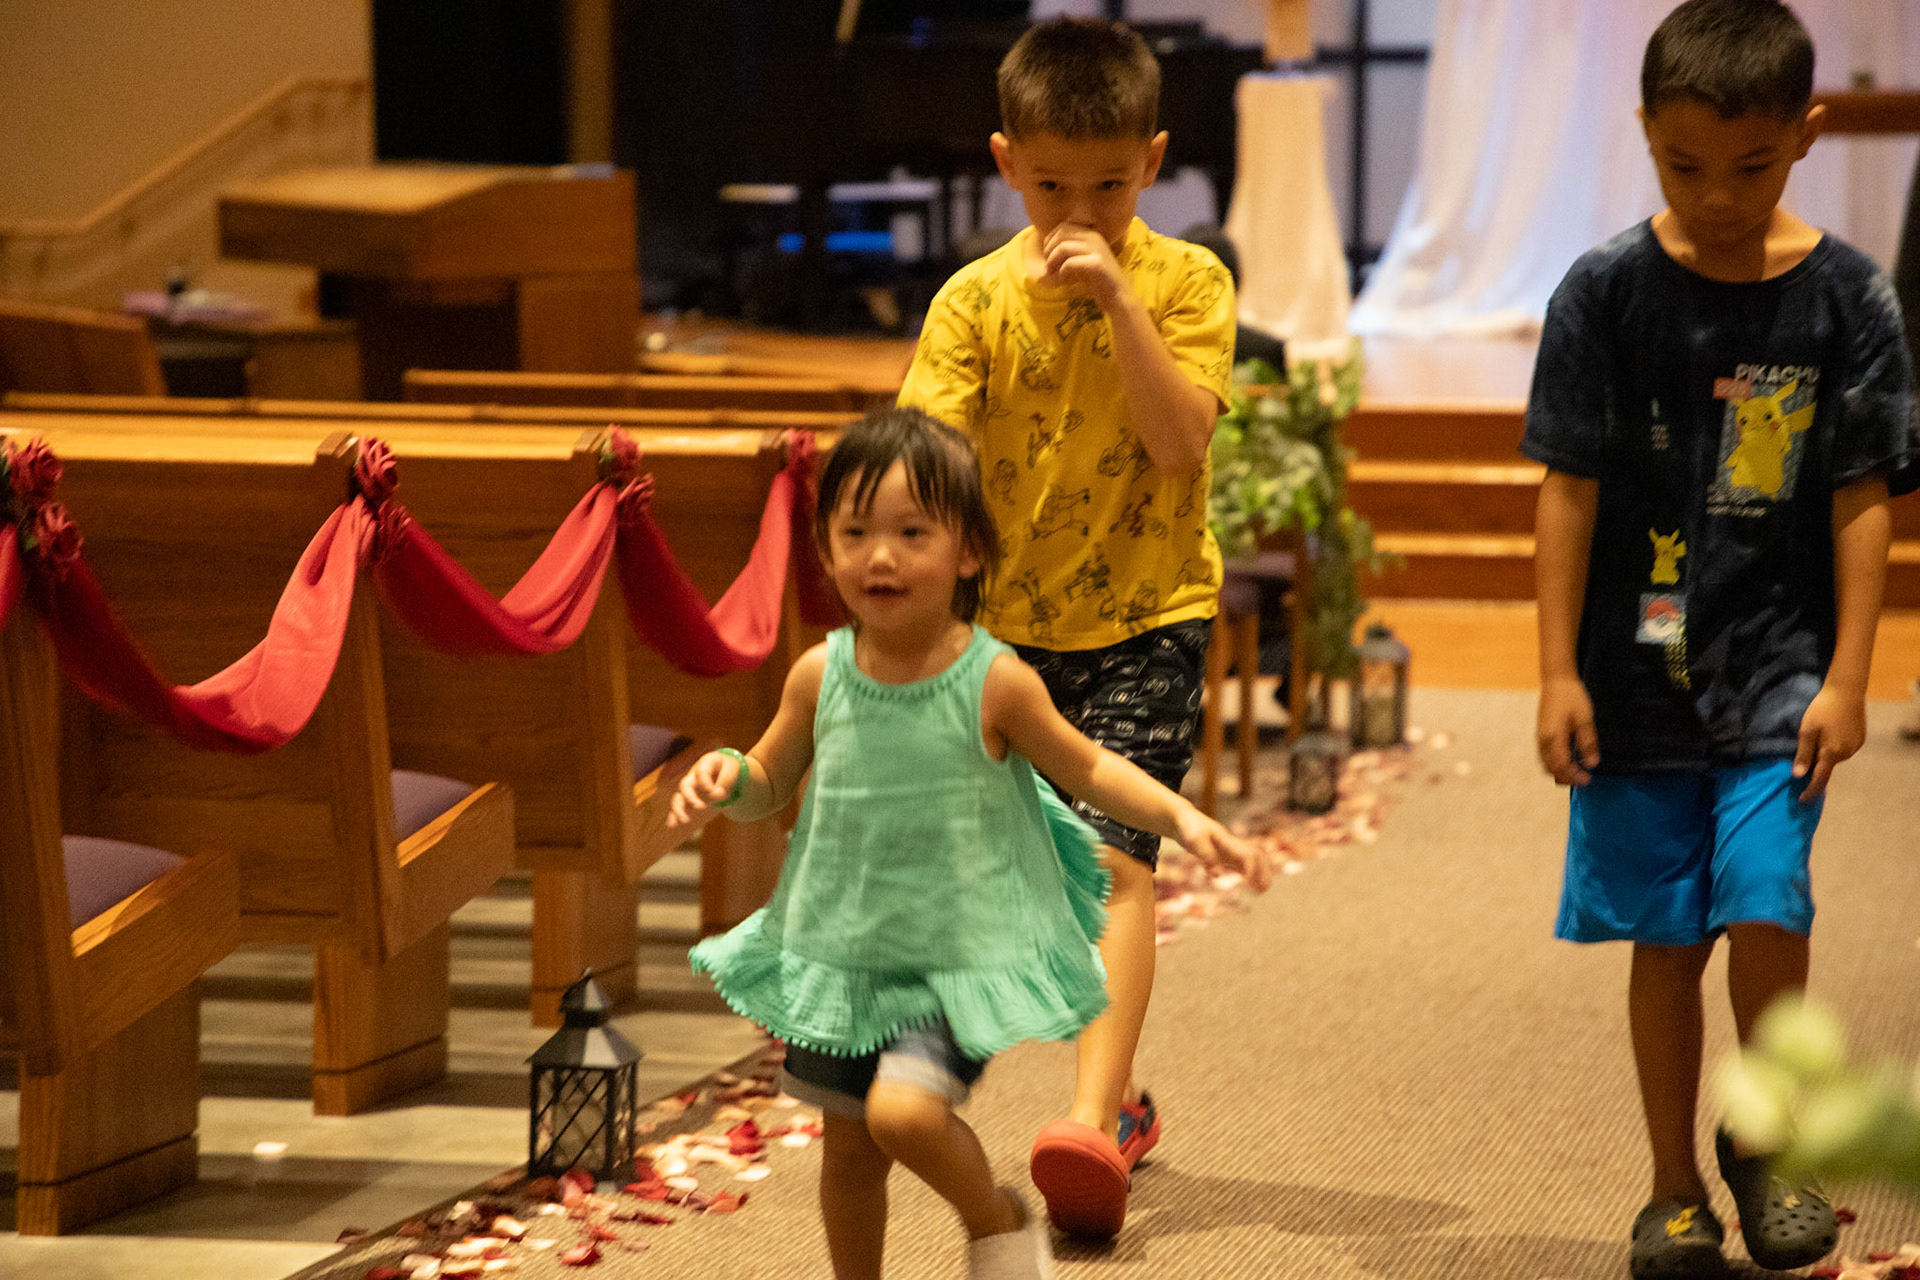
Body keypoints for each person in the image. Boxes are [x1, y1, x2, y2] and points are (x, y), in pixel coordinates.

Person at [669, 409, 1263, 1280]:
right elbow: (770, 779)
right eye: (856, 533)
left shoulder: (993, 681)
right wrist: (729, 777)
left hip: (949, 963)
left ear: (969, 551)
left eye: (913, 533)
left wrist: (1185, 819)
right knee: (850, 1156)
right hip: (842, 952)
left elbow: (1091, 767)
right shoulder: (818, 675)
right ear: (826, 551)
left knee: (903, 1116)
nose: (881, 556)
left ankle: (995, 1216)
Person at [1527, 3, 1919, 1276]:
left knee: (1767, 904)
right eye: (1683, 165)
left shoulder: (1849, 297)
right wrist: (1553, 670)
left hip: (1781, 669)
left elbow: (1864, 494)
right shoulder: (1603, 293)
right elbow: (1568, 489)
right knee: (1668, 936)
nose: (1716, 196)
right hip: (1632, 676)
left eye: (1750, 167)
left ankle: (1770, 1135)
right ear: (1646, 132)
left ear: (1806, 134)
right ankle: (1672, 1184)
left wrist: (1852, 674)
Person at [895, 16, 1247, 1238]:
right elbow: (927, 474)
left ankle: (1092, 1121)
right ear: (1007, 163)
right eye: (1053, 186)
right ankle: (1121, 1099)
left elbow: (1179, 440)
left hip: (1150, 614)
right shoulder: (972, 300)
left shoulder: (1189, 283)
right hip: (1006, 637)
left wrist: (1116, 302)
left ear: (1153, 161)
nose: (1080, 211)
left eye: (1109, 185)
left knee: (1110, 863)